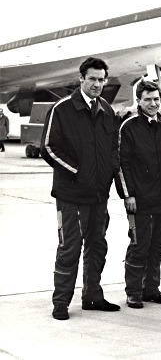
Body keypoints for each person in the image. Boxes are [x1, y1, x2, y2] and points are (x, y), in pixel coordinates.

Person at [40, 57, 121, 320]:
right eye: (93, 79)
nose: (97, 84)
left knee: (97, 246)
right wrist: (77, 173)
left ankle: (92, 296)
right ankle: (61, 302)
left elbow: (112, 150)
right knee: (70, 248)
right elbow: (49, 148)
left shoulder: (107, 110)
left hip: (98, 195)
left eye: (101, 79)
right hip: (71, 194)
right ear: (81, 79)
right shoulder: (62, 109)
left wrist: (107, 176)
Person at [116, 81, 161, 309]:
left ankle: (151, 289)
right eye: (148, 99)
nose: (153, 104)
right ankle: (134, 291)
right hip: (139, 200)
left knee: (159, 244)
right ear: (139, 101)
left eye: (156, 99)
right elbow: (121, 163)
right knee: (139, 245)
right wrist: (128, 194)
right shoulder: (129, 127)